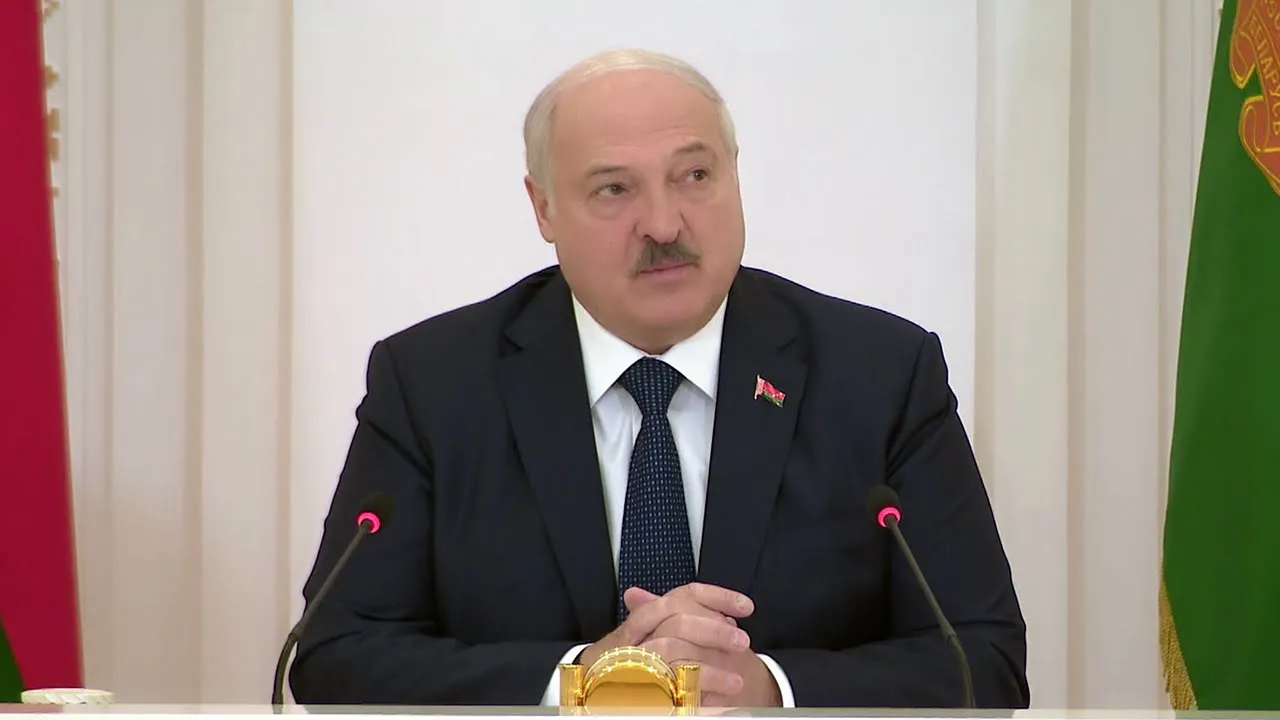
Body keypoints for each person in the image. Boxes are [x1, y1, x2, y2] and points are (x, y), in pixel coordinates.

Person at [288, 48, 1029, 709]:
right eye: (615, 189)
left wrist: (769, 689)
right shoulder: (433, 385)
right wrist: (584, 680)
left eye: (695, 176)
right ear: (543, 208)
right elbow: (336, 655)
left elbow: (986, 661)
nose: (665, 224)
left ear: (735, 175)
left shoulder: (880, 374)